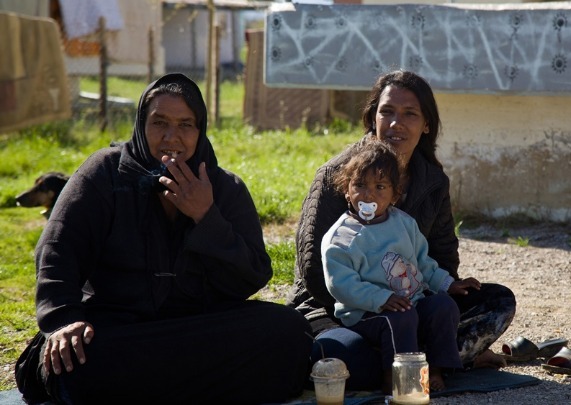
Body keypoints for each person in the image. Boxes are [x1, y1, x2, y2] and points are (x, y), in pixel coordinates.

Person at [14, 73, 312, 405]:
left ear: (201, 131)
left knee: (289, 330)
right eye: (160, 123)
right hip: (118, 331)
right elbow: (57, 251)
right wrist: (64, 320)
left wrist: (206, 216)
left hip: (195, 328)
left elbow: (252, 276)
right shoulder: (105, 174)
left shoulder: (224, 188)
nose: (172, 137)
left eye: (186, 125)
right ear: (142, 125)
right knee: (77, 364)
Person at [288, 70, 516, 390]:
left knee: (496, 301)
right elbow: (315, 273)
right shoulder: (337, 175)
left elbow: (440, 256)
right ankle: (431, 357)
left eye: (410, 114)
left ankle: (422, 356)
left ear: (426, 126)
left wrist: (447, 287)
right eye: (387, 112)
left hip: (409, 305)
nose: (397, 123)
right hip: (341, 309)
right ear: (372, 118)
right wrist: (376, 305)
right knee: (349, 359)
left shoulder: (433, 182)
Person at [322, 140, 467, 393]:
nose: (368, 195)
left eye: (380, 187)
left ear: (394, 195)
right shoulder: (341, 238)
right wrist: (383, 298)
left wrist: (448, 283)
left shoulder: (404, 224)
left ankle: (437, 370)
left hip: (411, 302)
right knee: (399, 317)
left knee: (443, 306)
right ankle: (396, 378)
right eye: (359, 186)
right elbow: (341, 286)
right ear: (347, 190)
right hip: (366, 313)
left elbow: (423, 263)